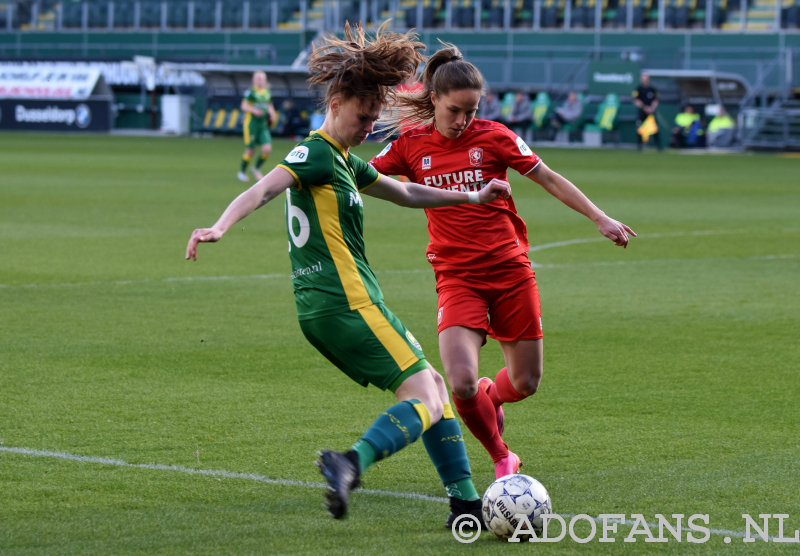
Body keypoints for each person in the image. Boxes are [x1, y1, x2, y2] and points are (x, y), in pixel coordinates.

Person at [185, 23, 513, 529]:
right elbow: (265, 188)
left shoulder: (344, 161)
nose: (368, 128)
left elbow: (405, 192)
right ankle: (350, 462)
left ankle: (465, 504)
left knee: (434, 390)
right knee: (425, 396)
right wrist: (220, 226)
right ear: (336, 101)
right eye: (363, 117)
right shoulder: (316, 152)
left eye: (374, 119)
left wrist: (470, 197)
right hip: (348, 303)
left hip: (331, 308)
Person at [371, 43, 636, 479]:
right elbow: (365, 176)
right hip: (456, 277)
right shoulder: (410, 146)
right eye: (455, 110)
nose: (463, 121)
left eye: (471, 111)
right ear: (434, 98)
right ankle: (501, 457)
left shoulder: (494, 136)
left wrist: (599, 217)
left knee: (526, 382)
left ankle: (491, 398)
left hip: (511, 271)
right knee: (459, 381)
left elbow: (548, 177)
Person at [238, 71, 277, 182]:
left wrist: (272, 114)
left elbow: (269, 104)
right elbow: (243, 106)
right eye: (258, 78)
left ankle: (255, 168)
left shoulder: (267, 92)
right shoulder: (250, 92)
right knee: (250, 150)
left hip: (262, 125)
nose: (260, 81)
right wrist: (253, 110)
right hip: (251, 125)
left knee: (267, 149)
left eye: (262, 78)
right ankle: (241, 172)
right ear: (254, 80)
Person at [633, 72, 662, 151]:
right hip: (642, 112)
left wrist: (652, 108)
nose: (644, 79)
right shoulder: (638, 89)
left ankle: (659, 147)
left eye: (646, 77)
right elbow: (636, 101)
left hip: (651, 112)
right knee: (640, 128)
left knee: (655, 128)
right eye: (643, 77)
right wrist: (644, 108)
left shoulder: (652, 90)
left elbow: (656, 100)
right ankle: (639, 146)